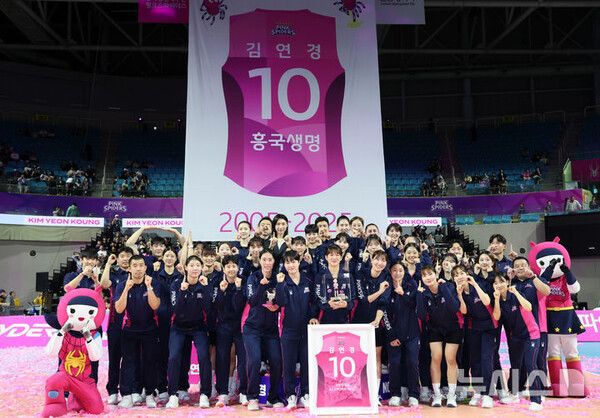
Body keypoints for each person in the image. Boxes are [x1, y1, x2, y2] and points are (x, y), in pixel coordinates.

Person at [237, 249, 284, 411]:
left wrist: (277, 306)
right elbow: (252, 300)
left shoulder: (278, 278)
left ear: (274, 262)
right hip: (252, 329)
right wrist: (262, 286)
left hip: (271, 330)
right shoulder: (253, 278)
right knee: (255, 360)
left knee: (277, 360)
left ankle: (273, 397)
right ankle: (252, 397)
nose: (267, 262)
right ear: (260, 260)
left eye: (270, 259)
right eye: (264, 259)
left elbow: (282, 301)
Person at [164, 256, 213, 409]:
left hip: (199, 327)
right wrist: (182, 292)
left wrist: (205, 288)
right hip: (178, 327)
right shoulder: (176, 284)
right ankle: (173, 394)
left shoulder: (205, 284)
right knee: (173, 357)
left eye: (198, 265)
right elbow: (175, 309)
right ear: (186, 267)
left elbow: (209, 309)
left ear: (201, 268)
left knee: (204, 357)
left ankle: (205, 394)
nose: (195, 268)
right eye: (191, 265)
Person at [114, 255, 162, 408]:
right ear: (129, 268)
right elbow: (118, 309)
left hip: (149, 329)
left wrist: (149, 287)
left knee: (149, 362)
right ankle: (126, 395)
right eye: (134, 265)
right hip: (129, 330)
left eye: (141, 265)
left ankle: (149, 394)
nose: (138, 268)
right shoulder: (122, 285)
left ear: (145, 268)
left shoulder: (153, 283)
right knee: (128, 363)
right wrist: (126, 289)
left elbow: (155, 305)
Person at [492, 274, 543, 411]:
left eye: (501, 282)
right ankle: (514, 394)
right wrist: (496, 300)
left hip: (531, 334)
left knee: (530, 364)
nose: (499, 285)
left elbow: (529, 307)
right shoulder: (497, 300)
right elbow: (496, 317)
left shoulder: (515, 294)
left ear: (507, 282)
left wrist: (516, 293)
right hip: (516, 337)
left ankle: (536, 400)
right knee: (515, 366)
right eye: (495, 283)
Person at [275, 251, 319, 410]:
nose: (291, 265)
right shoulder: (283, 281)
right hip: (288, 330)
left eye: (293, 261)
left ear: (299, 262)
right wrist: (280, 284)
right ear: (284, 265)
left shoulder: (308, 280)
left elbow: (315, 301)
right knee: (289, 365)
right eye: (287, 262)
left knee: (307, 363)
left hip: (306, 329)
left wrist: (313, 316)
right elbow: (280, 302)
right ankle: (291, 396)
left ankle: (306, 394)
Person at [416, 265, 461, 408]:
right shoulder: (423, 294)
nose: (428, 277)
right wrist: (419, 295)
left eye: (430, 274)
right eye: (424, 275)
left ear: (436, 274)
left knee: (450, 358)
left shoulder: (448, 286)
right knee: (436, 358)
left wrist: (444, 288)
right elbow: (422, 315)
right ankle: (436, 395)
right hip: (435, 329)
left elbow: (454, 307)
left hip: (452, 328)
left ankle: (451, 395)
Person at [452, 265, 496, 409]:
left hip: (489, 327)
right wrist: (459, 295)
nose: (459, 276)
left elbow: (487, 301)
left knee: (486, 358)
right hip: (473, 328)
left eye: (461, 273)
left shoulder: (479, 284)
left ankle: (487, 394)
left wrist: (475, 284)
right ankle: (478, 391)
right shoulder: (456, 292)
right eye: (456, 275)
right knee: (475, 360)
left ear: (467, 274)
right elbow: (464, 311)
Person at [353, 250, 391, 397]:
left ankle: (375, 394)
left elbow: (383, 303)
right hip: (359, 321)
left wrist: (377, 320)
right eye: (377, 259)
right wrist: (380, 291)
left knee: (376, 356)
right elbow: (364, 300)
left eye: (383, 260)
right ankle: (357, 391)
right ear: (371, 259)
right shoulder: (361, 274)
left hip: (376, 322)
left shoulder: (386, 277)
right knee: (358, 355)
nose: (379, 263)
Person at [99, 247, 134, 405]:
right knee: (114, 359)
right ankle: (113, 391)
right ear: (118, 259)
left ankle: (129, 390)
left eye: (128, 256)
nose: (125, 259)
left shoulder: (137, 274)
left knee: (131, 359)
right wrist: (108, 264)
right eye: (122, 256)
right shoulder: (114, 275)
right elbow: (104, 283)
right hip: (115, 323)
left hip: (133, 324)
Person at [383, 261, 420, 407]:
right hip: (394, 335)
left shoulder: (411, 285)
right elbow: (384, 313)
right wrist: (391, 335)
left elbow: (415, 305)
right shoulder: (386, 287)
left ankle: (414, 394)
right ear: (390, 272)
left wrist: (403, 294)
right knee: (395, 363)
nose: (397, 273)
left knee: (412, 362)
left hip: (412, 333)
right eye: (394, 270)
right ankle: (395, 394)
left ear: (404, 272)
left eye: (400, 270)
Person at [213, 255, 247, 407]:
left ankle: (244, 392)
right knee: (222, 359)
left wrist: (238, 289)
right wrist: (221, 291)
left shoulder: (243, 282)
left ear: (238, 268)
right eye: (228, 266)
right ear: (224, 268)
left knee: (244, 359)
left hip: (241, 326)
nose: (231, 269)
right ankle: (223, 393)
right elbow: (216, 306)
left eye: (234, 266)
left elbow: (240, 306)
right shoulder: (218, 282)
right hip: (223, 326)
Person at [315, 244, 356, 325]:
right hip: (325, 319)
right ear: (326, 257)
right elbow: (317, 299)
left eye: (337, 255)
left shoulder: (348, 276)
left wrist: (346, 304)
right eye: (331, 255)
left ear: (341, 257)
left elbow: (353, 299)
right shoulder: (320, 276)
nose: (334, 258)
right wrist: (328, 304)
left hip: (344, 319)